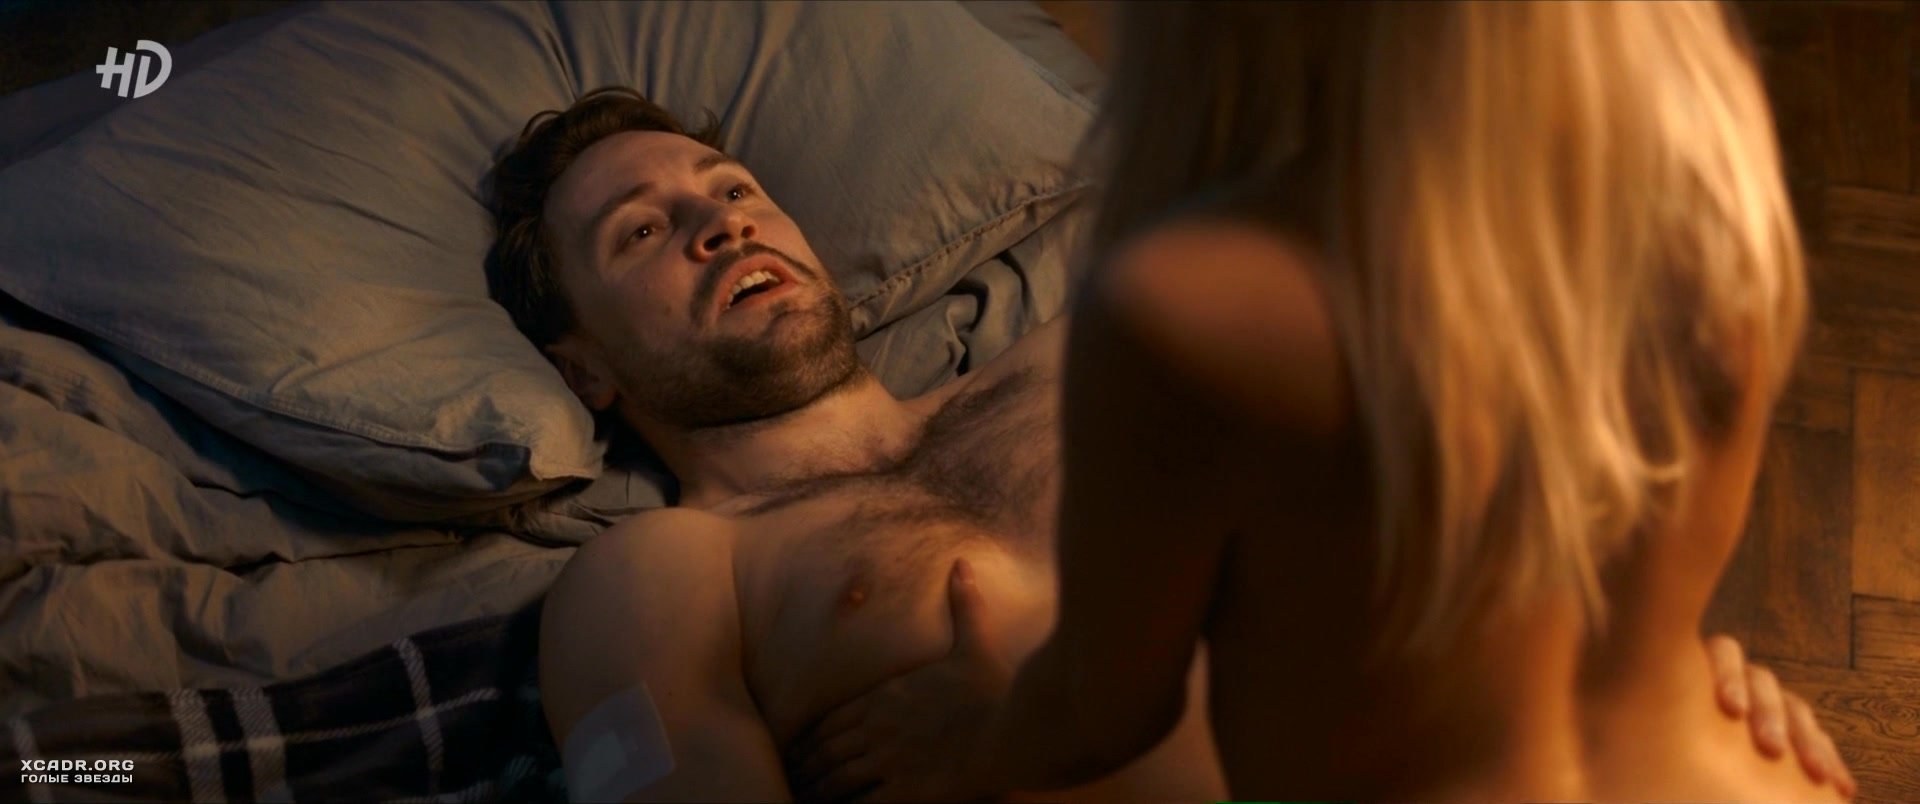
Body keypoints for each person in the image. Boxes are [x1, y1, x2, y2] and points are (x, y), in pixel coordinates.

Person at [484, 85, 1846, 802]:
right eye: (642, 232)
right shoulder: (666, 573)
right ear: (584, 366)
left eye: (730, 189)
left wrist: (1641, 647)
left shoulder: (1095, 348)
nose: (719, 222)